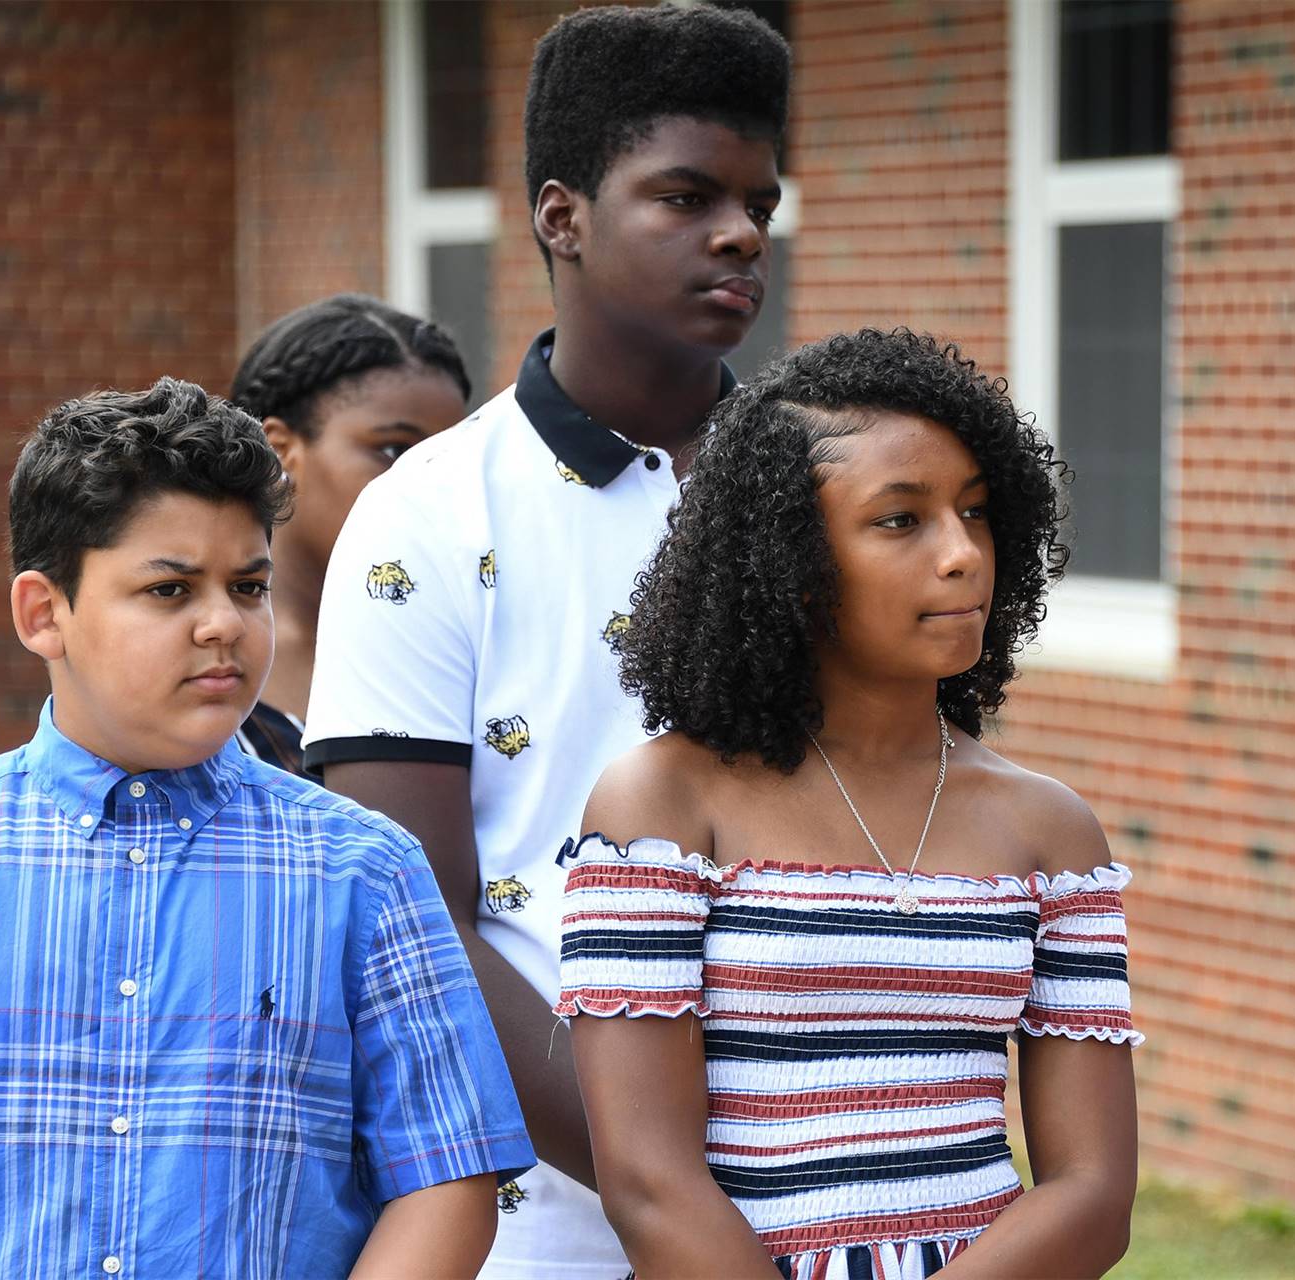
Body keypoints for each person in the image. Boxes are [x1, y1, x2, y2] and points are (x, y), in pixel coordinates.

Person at [300, 7, 791, 1276]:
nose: (740, 233)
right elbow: (415, 914)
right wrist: (667, 1195)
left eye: (757, 201)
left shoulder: (830, 493)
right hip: (549, 1224)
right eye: (684, 195)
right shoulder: (427, 511)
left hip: (832, 1191)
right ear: (561, 216)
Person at [556, 328, 1142, 1279]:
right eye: (901, 520)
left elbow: (1094, 1191)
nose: (962, 555)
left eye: (979, 512)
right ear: (787, 562)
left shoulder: (1050, 831)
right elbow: (647, 1178)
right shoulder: (662, 808)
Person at [0, 378, 534, 1277]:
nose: (223, 624)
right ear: (42, 614)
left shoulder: (362, 871)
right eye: (169, 590)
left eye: (247, 586)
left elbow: (446, 1178)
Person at [227, 293, 471, 773]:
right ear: (280, 451)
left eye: (451, 456)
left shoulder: (463, 635)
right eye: (395, 450)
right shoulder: (205, 641)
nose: (433, 479)